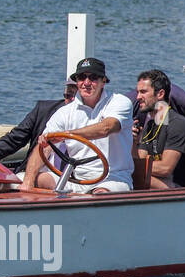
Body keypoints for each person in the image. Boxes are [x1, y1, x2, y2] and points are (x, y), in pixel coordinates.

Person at [19, 57, 134, 194]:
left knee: (100, 194)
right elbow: (43, 148)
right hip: (76, 180)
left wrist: (66, 135)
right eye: (81, 78)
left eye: (93, 78)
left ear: (103, 81)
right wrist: (28, 183)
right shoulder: (64, 112)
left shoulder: (119, 102)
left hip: (113, 179)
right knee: (19, 179)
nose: (86, 83)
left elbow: (106, 128)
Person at [131, 69, 185, 182]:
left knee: (138, 178)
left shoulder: (177, 124)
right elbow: (140, 160)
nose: (138, 97)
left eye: (143, 92)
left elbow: (165, 168)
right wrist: (133, 142)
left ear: (160, 94)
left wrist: (130, 168)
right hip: (166, 183)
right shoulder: (150, 125)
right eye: (138, 92)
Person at [0, 81, 77, 163]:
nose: (72, 100)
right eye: (68, 96)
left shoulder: (91, 120)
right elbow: (13, 140)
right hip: (34, 173)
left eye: (77, 97)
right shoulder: (43, 110)